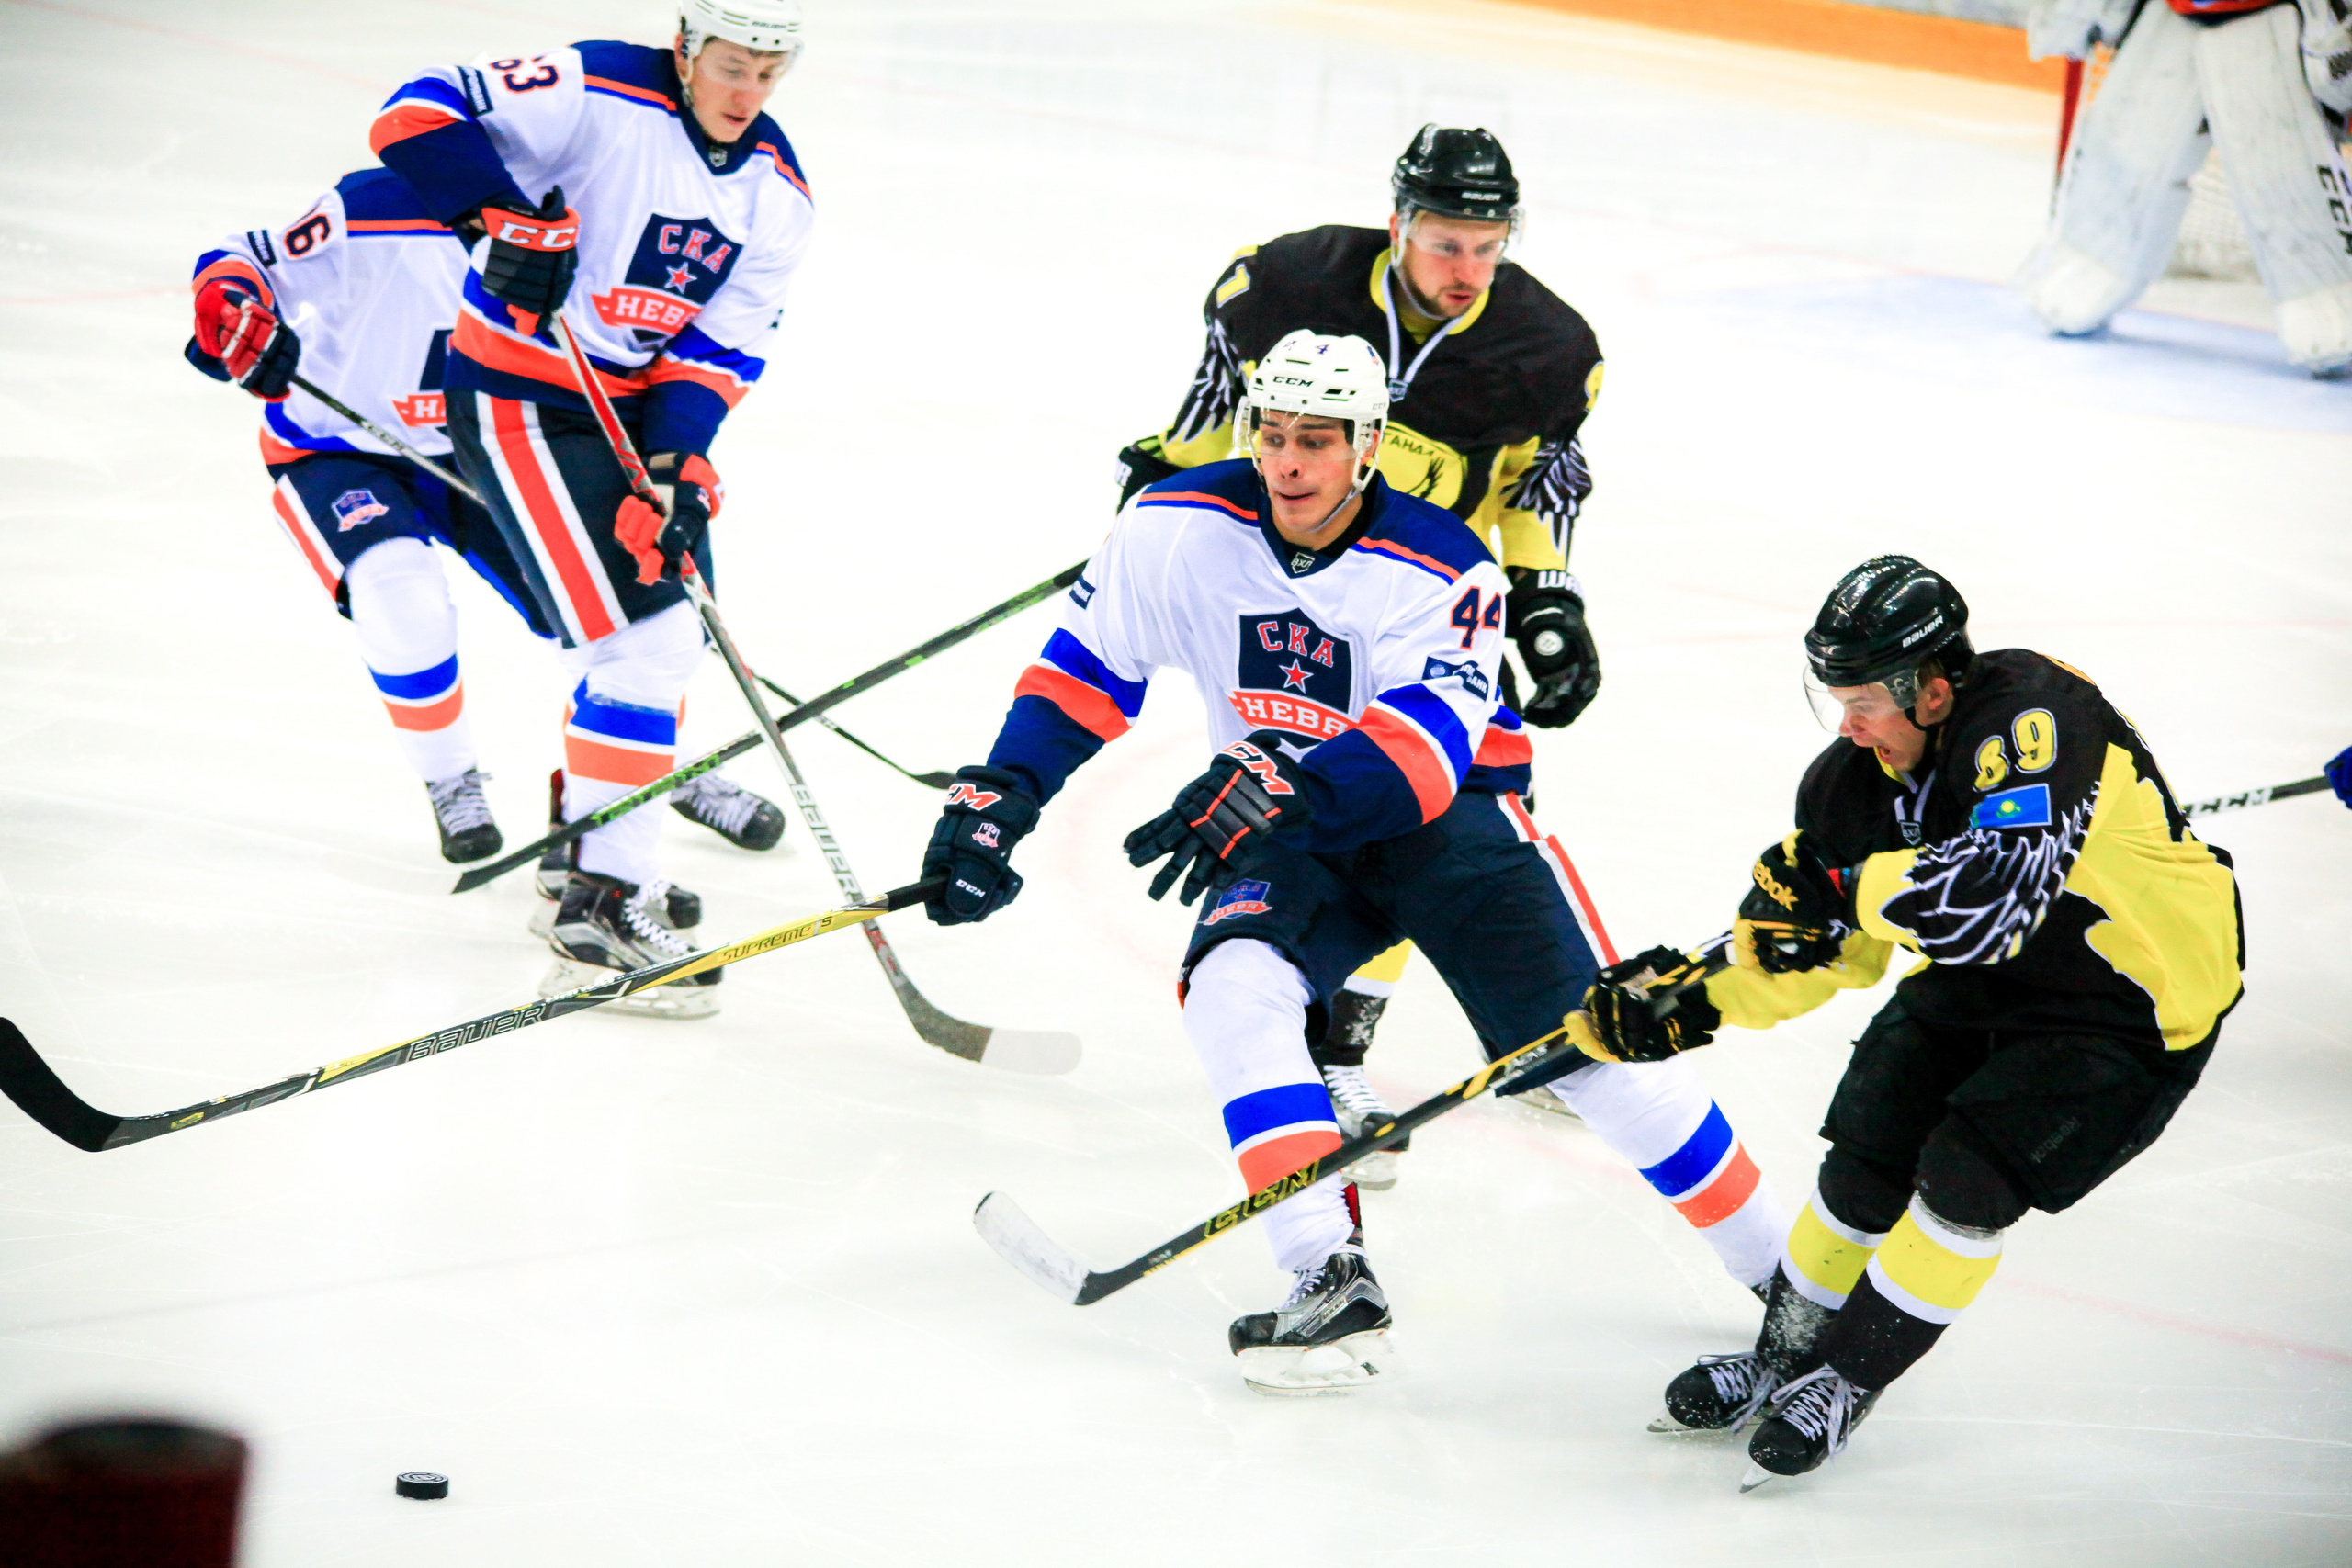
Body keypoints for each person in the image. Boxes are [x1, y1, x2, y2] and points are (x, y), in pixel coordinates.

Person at [924, 331, 1786, 1393]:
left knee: (1583, 1053)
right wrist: (1001, 791)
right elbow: (1083, 673)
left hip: (1451, 819)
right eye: (1273, 435)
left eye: (1318, 442)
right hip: (1292, 825)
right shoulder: (1170, 528)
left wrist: (1280, 785)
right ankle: (1329, 1280)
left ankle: (1793, 1289)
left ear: (1367, 446)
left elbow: (1423, 755)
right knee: (1233, 990)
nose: (1289, 463)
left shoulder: (1445, 564)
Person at [1569, 556, 2243, 1488]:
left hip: (2127, 1005)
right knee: (1862, 1161)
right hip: (1981, 985)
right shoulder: (1851, 785)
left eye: (1862, 701)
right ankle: (1780, 1360)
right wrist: (1689, 1001)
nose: (1845, 726)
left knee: (1964, 1184)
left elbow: (1990, 902)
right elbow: (1825, 950)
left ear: (1931, 690)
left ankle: (1845, 1379)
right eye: (1832, 698)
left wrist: (1849, 888)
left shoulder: (2030, 716)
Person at [1114, 124, 1613, 1175]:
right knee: (1310, 809)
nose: (1466, 271)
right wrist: (1162, 486)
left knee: (1404, 806)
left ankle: (1339, 1052)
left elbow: (1540, 481)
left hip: (1418, 608)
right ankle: (1313, 1037)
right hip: (1286, 583)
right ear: (1398, 225)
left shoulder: (1548, 345)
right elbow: (1223, 404)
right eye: (1444, 243)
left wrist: (1548, 595)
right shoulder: (1287, 284)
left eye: (1486, 246)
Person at [369, 0, 814, 1011]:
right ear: (691, 48)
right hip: (520, 394)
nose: (750, 94)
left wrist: (673, 465)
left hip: (618, 414)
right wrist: (498, 211)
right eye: (736, 66)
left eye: (771, 74)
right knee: (642, 641)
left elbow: (717, 346)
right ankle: (604, 906)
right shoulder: (597, 85)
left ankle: (588, 868)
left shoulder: (777, 195)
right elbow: (412, 113)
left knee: (660, 630)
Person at [2017, 0, 2352, 375]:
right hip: (2170, 18)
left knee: (2277, 157)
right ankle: (2094, 260)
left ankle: (2323, 290)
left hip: (2267, 21)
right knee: (2126, 143)